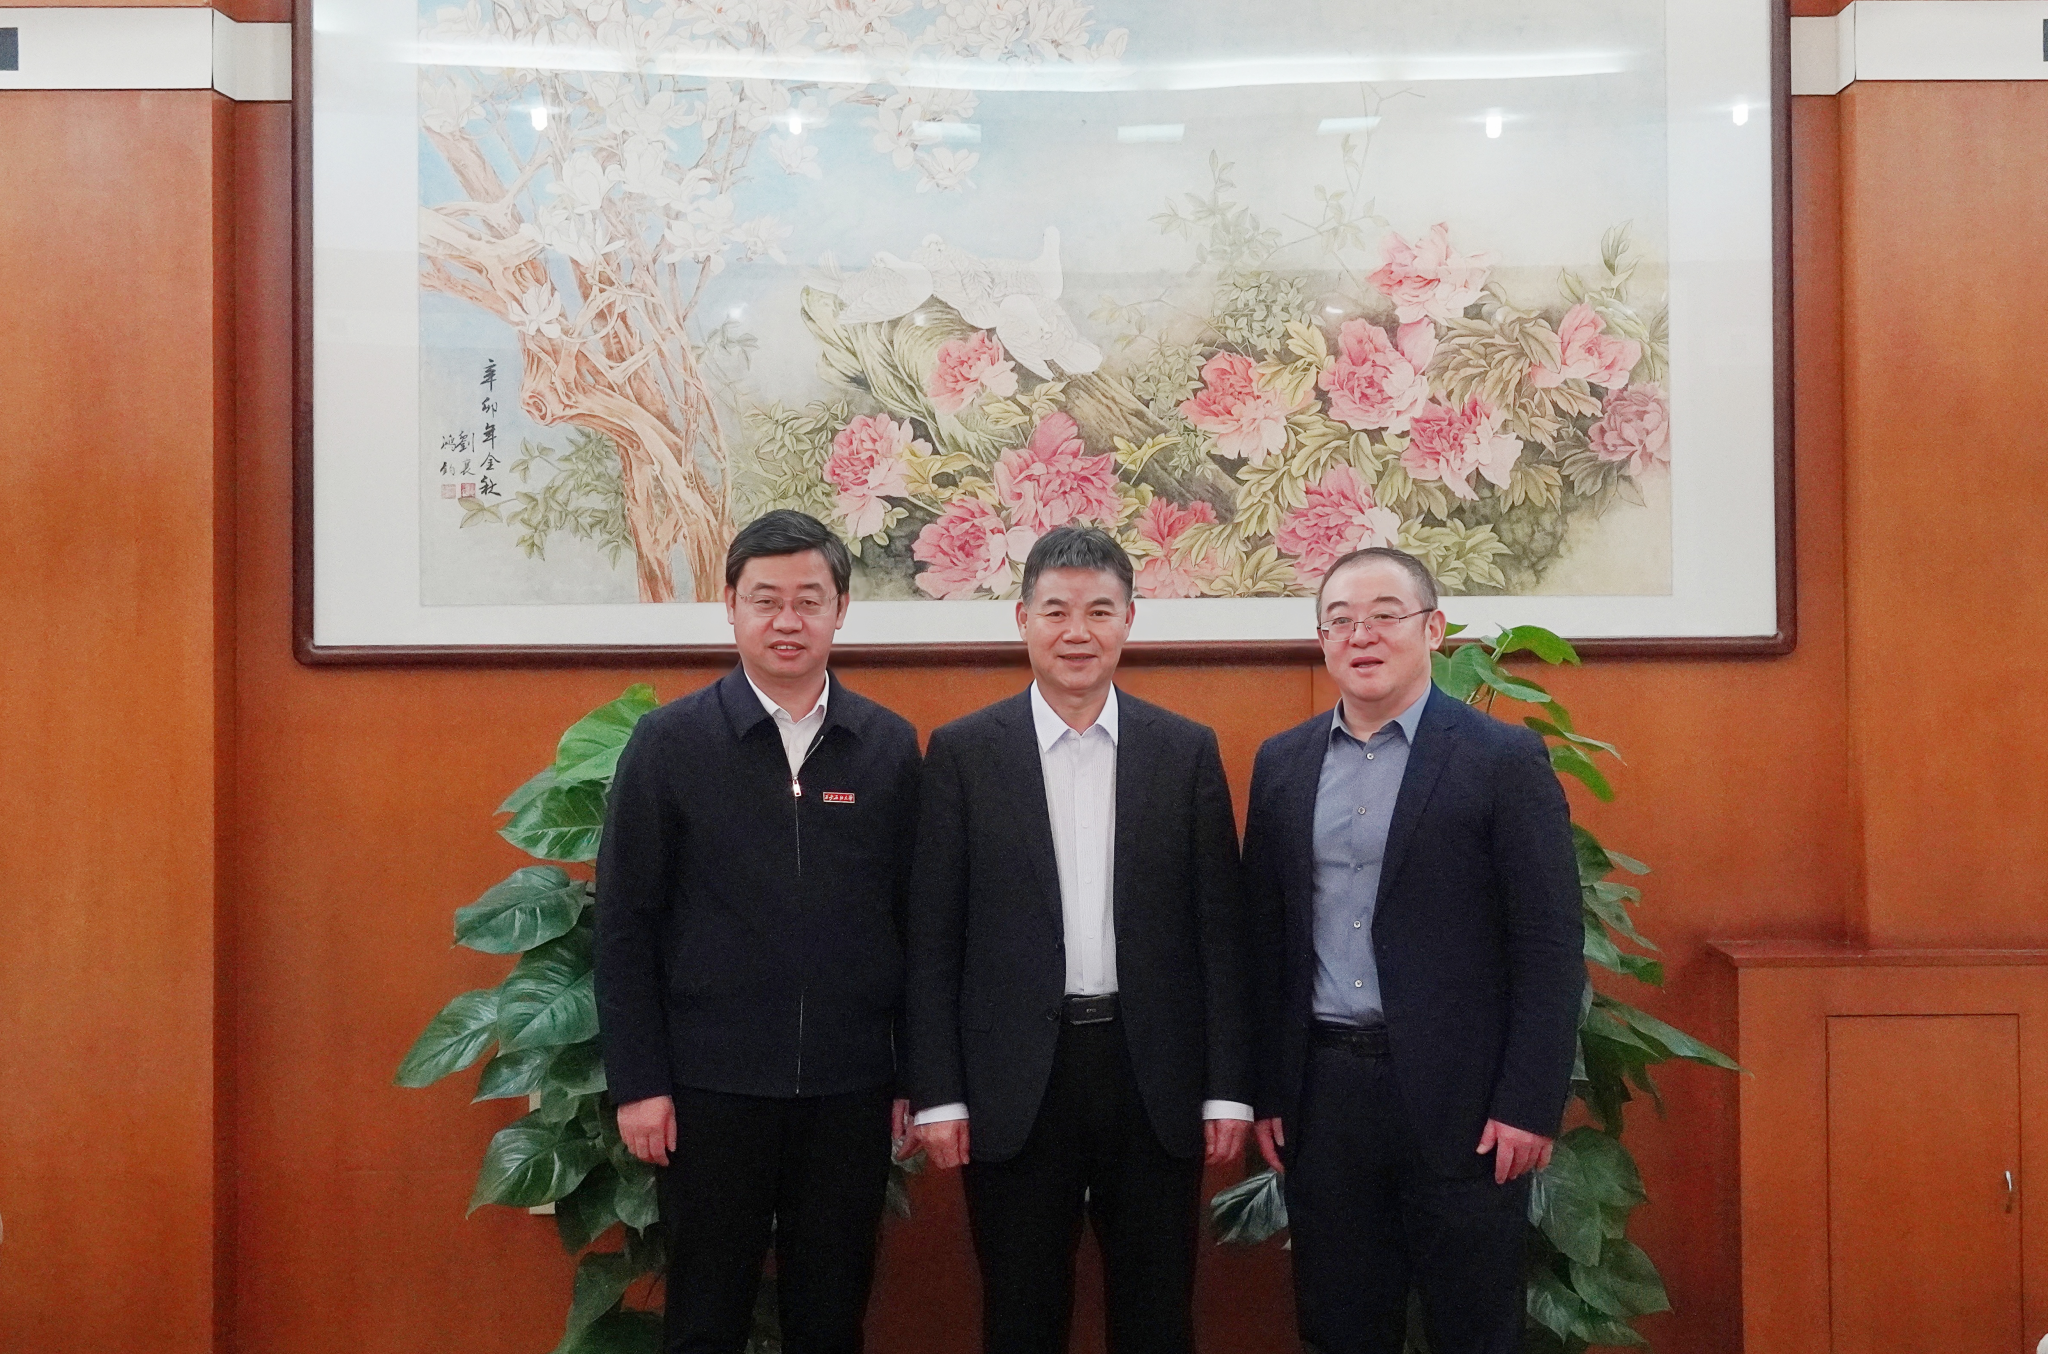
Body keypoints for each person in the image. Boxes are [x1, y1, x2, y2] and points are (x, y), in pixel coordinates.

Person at [903, 524, 1252, 1354]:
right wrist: (939, 1093)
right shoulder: (963, 754)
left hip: (1151, 1074)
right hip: (1015, 1081)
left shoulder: (1184, 751)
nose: (1077, 632)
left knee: (1157, 1313)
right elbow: (933, 940)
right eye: (1056, 610)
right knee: (1020, 1313)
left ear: (1129, 620)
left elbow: (1221, 936)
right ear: (1022, 619)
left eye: (1099, 611)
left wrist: (1228, 1089)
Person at [593, 510, 923, 1354]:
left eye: (809, 600)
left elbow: (914, 922)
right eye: (765, 599)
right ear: (731, 607)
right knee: (705, 1317)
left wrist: (911, 1074)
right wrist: (639, 1083)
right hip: (710, 1091)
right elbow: (625, 924)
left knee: (832, 1316)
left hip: (850, 1089)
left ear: (841, 609)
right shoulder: (669, 744)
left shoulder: (886, 747)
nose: (787, 620)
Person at [1244, 546, 1584, 1354]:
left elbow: (1548, 943)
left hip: (1466, 1104)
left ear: (1433, 629)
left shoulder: (1501, 760)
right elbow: (1263, 938)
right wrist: (1267, 1089)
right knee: (1339, 1326)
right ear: (1322, 641)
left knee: (1475, 1328)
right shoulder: (1283, 763)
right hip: (1325, 1094)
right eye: (1339, 621)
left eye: (1384, 616)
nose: (1361, 635)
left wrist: (1529, 1103)